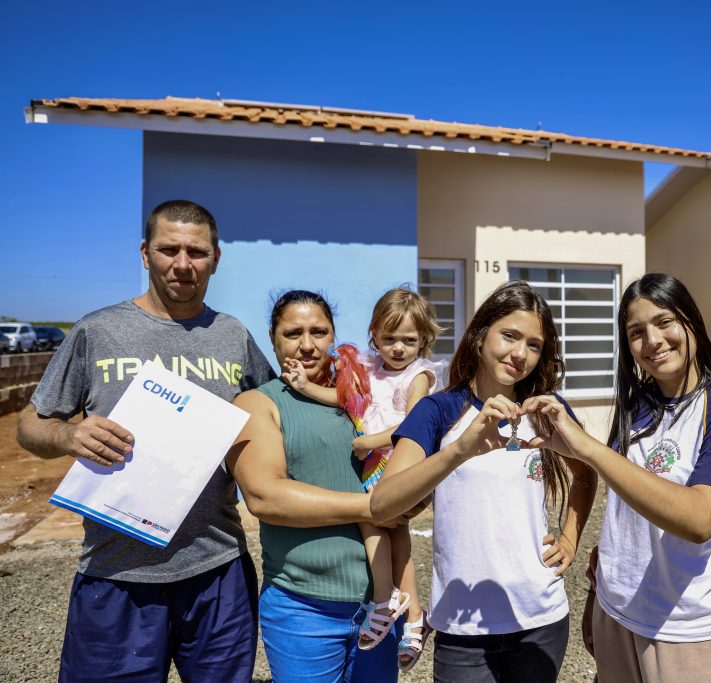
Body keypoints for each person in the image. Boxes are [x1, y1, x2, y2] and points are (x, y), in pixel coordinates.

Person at [16, 200, 275, 682]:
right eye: (168, 249)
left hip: (218, 568)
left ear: (215, 258)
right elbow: (29, 425)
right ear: (144, 253)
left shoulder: (233, 335)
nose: (182, 264)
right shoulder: (99, 331)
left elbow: (275, 415)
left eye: (196, 252)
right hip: (116, 573)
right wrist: (69, 434)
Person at [518, 273, 711, 682]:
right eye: (636, 332)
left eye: (664, 322)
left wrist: (589, 450)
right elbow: (622, 515)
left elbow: (700, 520)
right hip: (618, 615)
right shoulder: (639, 404)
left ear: (691, 322)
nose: (652, 341)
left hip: (689, 627)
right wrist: (599, 596)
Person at [370, 280, 598, 683]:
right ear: (479, 337)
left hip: (541, 619)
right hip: (463, 627)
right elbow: (383, 503)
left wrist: (570, 538)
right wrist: (459, 451)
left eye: (534, 345)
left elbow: (586, 470)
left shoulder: (546, 409)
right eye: (509, 336)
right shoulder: (437, 410)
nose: (520, 354)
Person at [227, 289, 424, 682]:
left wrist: (415, 494)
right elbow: (265, 497)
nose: (306, 345)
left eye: (318, 331)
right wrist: (374, 508)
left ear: (334, 335)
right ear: (272, 337)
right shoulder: (258, 403)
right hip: (304, 609)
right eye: (292, 333)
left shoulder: (363, 395)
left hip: (379, 609)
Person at [282, 286, 445, 671]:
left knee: (376, 523)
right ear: (374, 333)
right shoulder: (370, 369)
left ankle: (387, 602)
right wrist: (306, 387)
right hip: (375, 464)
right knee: (386, 533)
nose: (399, 348)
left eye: (409, 340)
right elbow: (348, 401)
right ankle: (410, 613)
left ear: (424, 339)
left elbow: (416, 424)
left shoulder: (418, 376)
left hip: (399, 463)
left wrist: (368, 441)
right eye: (390, 339)